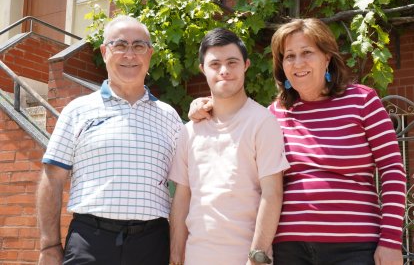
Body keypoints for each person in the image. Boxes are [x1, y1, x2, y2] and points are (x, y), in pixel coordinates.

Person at [189, 18, 406, 265]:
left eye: (307, 52)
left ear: (327, 57)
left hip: (354, 246)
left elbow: (392, 171)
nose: (298, 62)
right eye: (289, 56)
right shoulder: (274, 114)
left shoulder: (362, 101)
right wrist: (204, 105)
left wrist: (390, 241)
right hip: (289, 250)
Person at [37, 15, 183, 265]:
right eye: (120, 45)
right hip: (90, 243)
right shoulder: (78, 110)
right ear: (105, 51)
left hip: (152, 244)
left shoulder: (170, 117)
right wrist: (49, 245)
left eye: (139, 46)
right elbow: (53, 179)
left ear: (150, 54)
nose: (130, 55)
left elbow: (183, 189)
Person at [168, 28, 290, 265]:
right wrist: (175, 256)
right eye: (215, 64)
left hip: (245, 259)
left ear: (245, 65)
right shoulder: (189, 131)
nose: (224, 71)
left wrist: (257, 257)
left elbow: (272, 194)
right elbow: (182, 198)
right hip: (195, 257)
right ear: (203, 69)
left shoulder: (263, 122)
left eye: (232, 62)